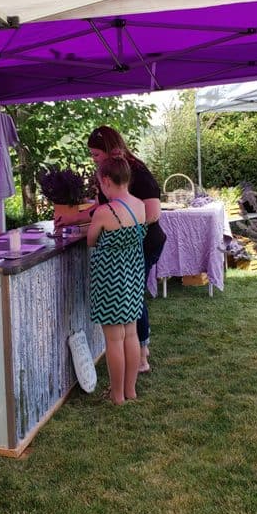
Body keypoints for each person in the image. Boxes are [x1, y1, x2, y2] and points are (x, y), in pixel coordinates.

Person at [57, 125, 166, 372]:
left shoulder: (138, 173)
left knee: (134, 299)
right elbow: (101, 206)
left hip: (144, 244)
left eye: (96, 155)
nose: (93, 160)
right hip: (129, 246)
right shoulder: (109, 176)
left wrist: (119, 230)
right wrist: (74, 219)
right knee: (132, 299)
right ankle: (137, 354)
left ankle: (142, 355)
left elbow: (153, 213)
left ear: (111, 150)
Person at [87, 157, 147, 405]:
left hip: (109, 280)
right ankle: (130, 390)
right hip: (134, 277)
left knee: (113, 339)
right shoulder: (141, 205)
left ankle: (117, 395)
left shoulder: (104, 212)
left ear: (107, 181)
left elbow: (91, 240)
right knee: (131, 334)